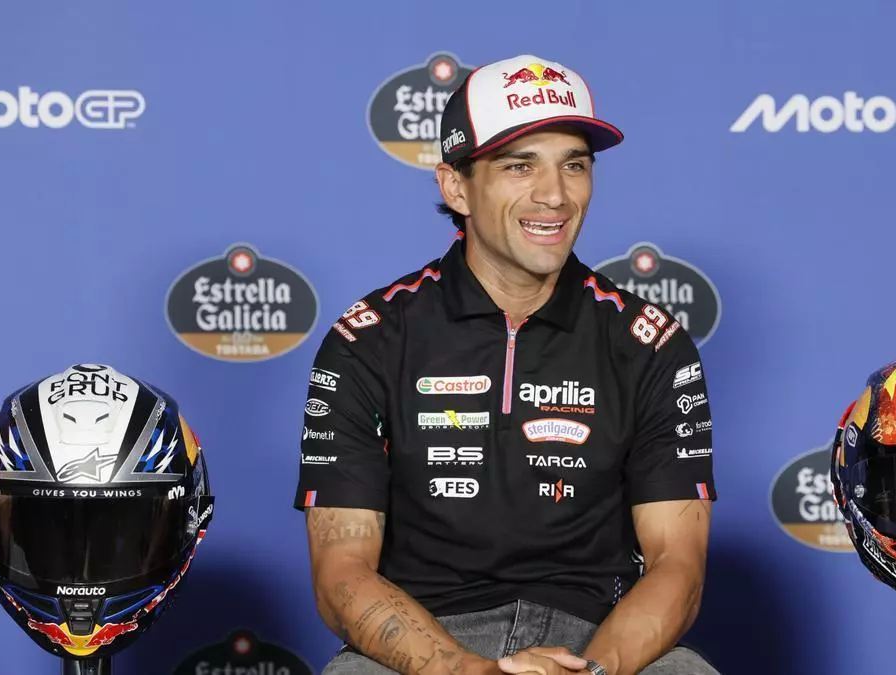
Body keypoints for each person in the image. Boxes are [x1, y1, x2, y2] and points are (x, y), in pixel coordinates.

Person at [294, 53, 720, 675]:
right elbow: (341, 572)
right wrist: (468, 671)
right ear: (456, 187)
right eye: (520, 166)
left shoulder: (650, 342)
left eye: (574, 165)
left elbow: (678, 566)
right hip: (427, 644)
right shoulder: (371, 338)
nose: (555, 195)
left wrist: (592, 671)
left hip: (600, 640)